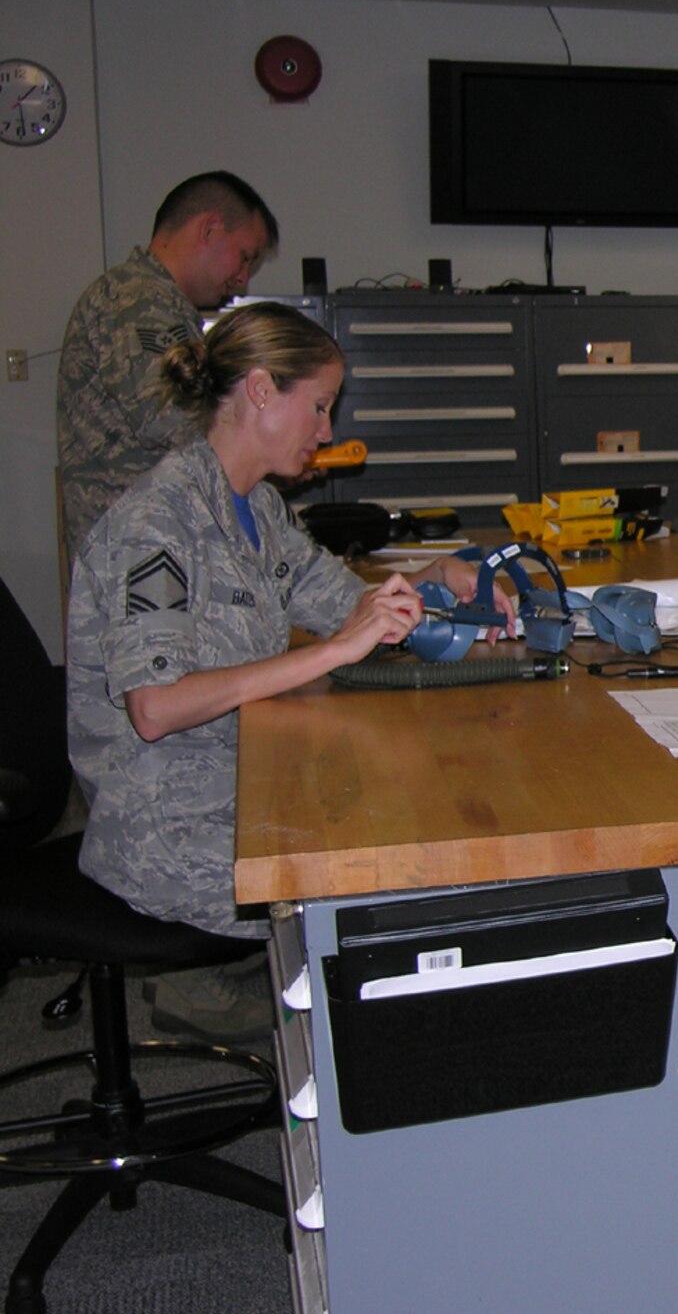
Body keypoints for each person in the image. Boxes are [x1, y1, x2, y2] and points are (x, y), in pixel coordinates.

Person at [66, 303, 493, 1033]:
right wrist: (328, 653)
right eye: (319, 406)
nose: (326, 432)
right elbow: (155, 708)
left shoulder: (256, 508)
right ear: (261, 390)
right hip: (168, 829)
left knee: (413, 808)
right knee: (390, 872)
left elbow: (344, 605)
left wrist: (435, 580)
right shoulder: (157, 522)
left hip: (249, 778)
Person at [57, 171, 279, 554]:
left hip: (152, 544)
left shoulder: (162, 305)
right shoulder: (138, 300)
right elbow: (173, 420)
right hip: (135, 556)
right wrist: (269, 443)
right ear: (209, 229)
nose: (242, 278)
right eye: (244, 257)